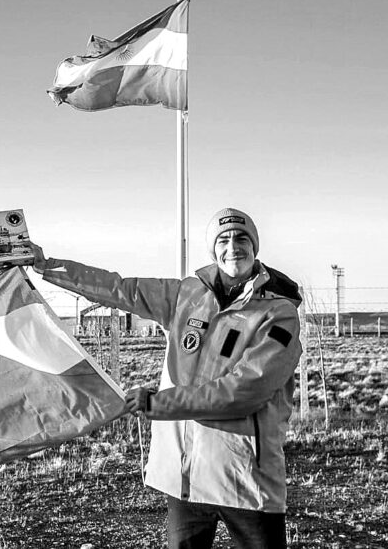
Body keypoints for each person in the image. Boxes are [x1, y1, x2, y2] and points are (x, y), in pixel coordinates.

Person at [30, 208, 302, 548]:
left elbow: (244, 391)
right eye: (223, 239)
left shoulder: (278, 314)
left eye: (242, 238)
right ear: (213, 249)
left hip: (244, 480)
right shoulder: (187, 295)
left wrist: (158, 403)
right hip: (184, 479)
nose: (233, 246)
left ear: (255, 246)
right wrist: (48, 267)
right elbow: (119, 289)